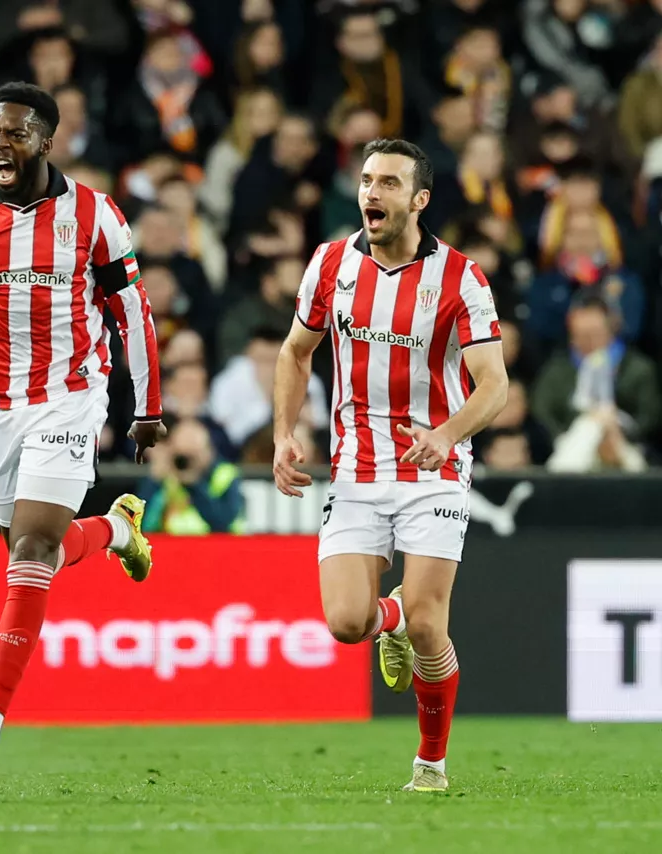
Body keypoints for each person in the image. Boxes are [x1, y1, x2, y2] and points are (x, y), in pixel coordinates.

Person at [0, 83, 166, 779]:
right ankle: (117, 530)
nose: (0, 144)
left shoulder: (94, 215)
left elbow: (133, 313)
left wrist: (145, 405)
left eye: (15, 134)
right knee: (37, 555)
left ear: (46, 141)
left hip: (73, 396)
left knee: (29, 548)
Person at [271, 138, 508, 793]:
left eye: (389, 184)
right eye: (367, 180)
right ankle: (390, 617)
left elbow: (495, 384)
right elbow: (295, 353)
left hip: (434, 470)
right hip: (355, 471)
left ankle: (430, 764)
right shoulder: (329, 264)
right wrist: (283, 434)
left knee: (433, 625)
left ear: (419, 200)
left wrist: (447, 432)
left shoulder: (461, 277)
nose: (371, 194)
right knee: (348, 624)